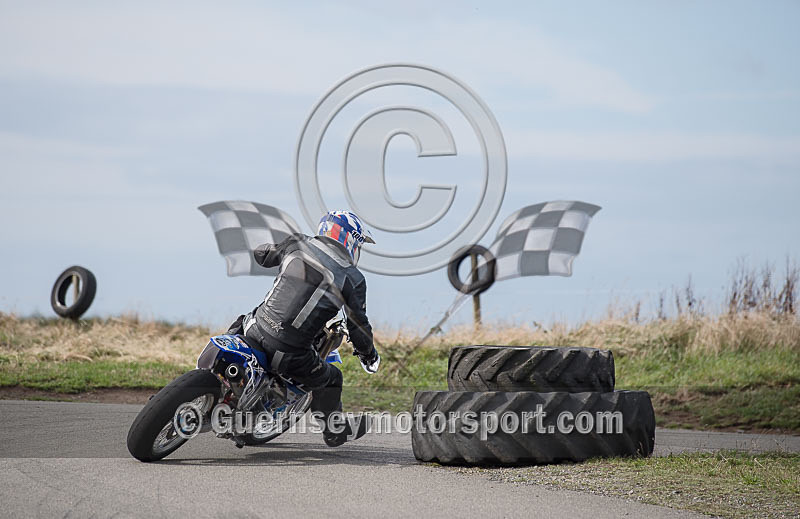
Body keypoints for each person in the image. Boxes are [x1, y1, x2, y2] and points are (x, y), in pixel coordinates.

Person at [227, 211, 380, 447]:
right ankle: (335, 432)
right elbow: (358, 326)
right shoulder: (352, 277)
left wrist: (268, 250)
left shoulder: (297, 242)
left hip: (254, 327)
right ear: (350, 239)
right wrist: (369, 355)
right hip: (288, 353)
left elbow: (263, 254)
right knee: (333, 378)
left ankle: (212, 377)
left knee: (239, 323)